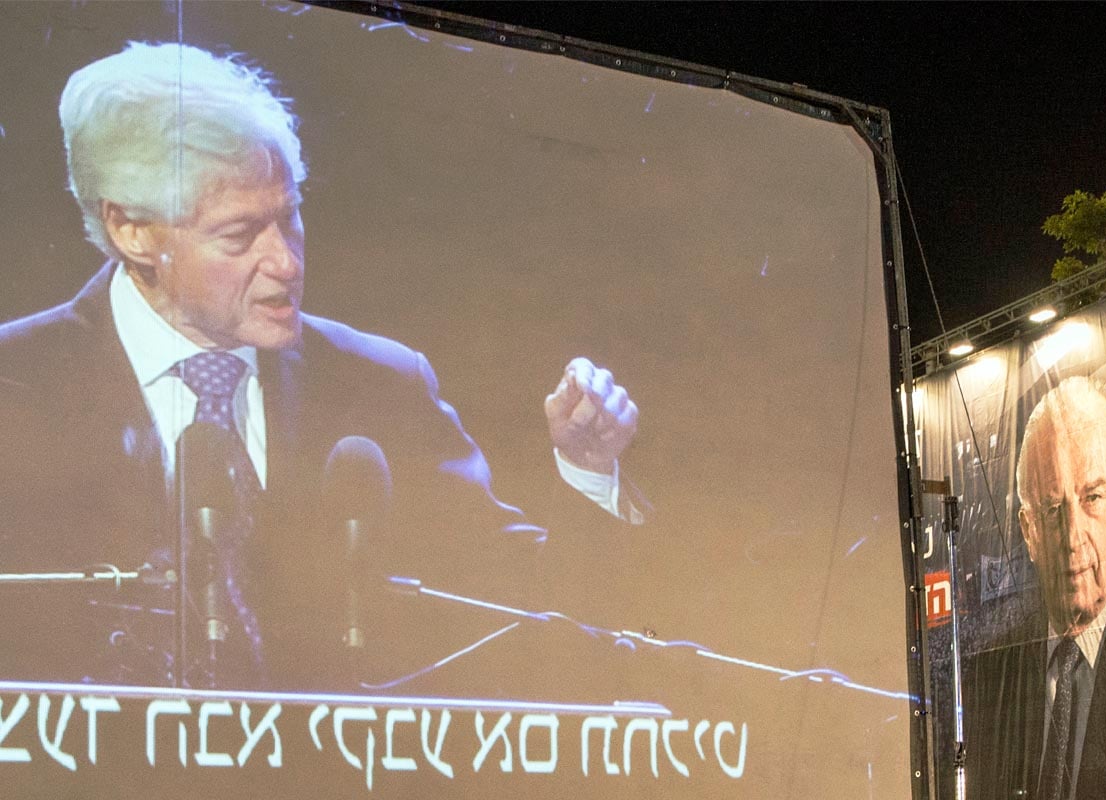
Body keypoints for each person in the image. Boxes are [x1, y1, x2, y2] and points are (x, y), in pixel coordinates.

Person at [0, 42, 643, 690]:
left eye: (289, 216)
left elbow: (525, 609)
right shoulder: (13, 388)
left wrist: (587, 474)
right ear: (132, 231)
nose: (285, 261)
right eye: (239, 234)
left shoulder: (382, 386)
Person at [965, 376, 1106, 800]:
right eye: (1054, 509)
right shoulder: (991, 673)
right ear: (1027, 530)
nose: (1073, 537)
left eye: (1093, 498)